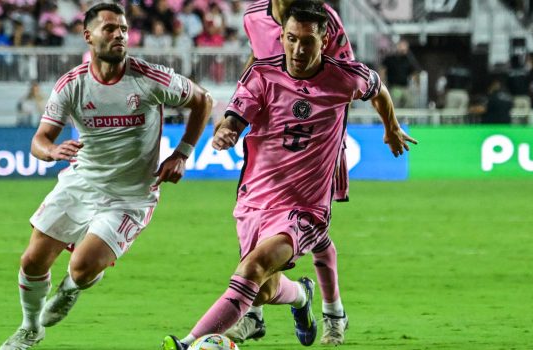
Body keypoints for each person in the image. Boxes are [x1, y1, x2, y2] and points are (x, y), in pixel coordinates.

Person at [162, 2, 416, 349]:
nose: (298, 49)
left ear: (324, 40)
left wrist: (391, 127)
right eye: (291, 39)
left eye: (307, 41)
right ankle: (301, 296)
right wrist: (227, 132)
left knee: (254, 267)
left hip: (305, 206)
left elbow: (378, 89)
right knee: (264, 289)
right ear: (280, 36)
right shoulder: (261, 74)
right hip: (258, 196)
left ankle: (189, 343)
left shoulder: (344, 76)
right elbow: (237, 116)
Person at [0, 3, 212, 349]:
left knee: (82, 268)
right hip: (81, 183)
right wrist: (52, 151)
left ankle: (71, 288)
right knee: (32, 260)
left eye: (124, 29)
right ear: (88, 36)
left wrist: (182, 154)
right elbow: (39, 141)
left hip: (131, 195)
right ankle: (30, 328)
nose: (119, 35)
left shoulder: (149, 78)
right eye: (110, 29)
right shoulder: (72, 85)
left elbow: (202, 100)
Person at [228, 0, 354, 345]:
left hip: (311, 140)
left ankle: (333, 313)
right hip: (268, 139)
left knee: (311, 231)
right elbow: (259, 61)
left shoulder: (321, 16)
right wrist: (238, 105)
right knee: (256, 226)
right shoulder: (253, 16)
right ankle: (255, 315)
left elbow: (343, 72)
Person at [381, 39, 420, 108]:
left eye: (405, 47)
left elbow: (414, 73)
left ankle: (406, 119)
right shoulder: (390, 59)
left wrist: (417, 86)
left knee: (410, 104)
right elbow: (383, 71)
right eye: (401, 46)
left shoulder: (408, 60)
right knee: (394, 105)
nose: (403, 48)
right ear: (398, 46)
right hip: (395, 87)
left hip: (405, 87)